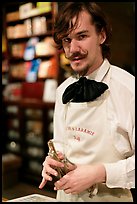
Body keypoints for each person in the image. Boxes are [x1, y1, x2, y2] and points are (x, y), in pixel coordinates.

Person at [39, 2, 135, 202]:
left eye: (82, 36)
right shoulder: (62, 91)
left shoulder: (128, 88)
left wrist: (100, 173)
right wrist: (53, 162)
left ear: (101, 35)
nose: (73, 48)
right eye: (67, 40)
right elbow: (60, 145)